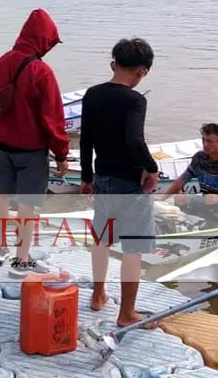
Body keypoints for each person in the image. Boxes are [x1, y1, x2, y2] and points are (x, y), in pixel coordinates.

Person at [80, 37, 158, 328]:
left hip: (103, 178)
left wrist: (86, 177)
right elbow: (134, 140)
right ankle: (126, 314)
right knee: (133, 248)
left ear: (114, 64)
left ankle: (98, 294)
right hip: (130, 182)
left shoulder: (92, 94)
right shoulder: (135, 99)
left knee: (101, 239)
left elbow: (86, 139)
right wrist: (151, 167)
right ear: (142, 71)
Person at [0, 8, 69, 276]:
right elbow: (52, 118)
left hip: (2, 144)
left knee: (1, 195)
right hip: (31, 149)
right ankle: (22, 261)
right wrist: (61, 153)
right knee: (27, 203)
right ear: (43, 40)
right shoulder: (41, 71)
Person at [160, 124, 218, 234]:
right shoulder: (199, 157)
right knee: (180, 198)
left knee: (211, 198)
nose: (205, 144)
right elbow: (181, 181)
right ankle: (205, 222)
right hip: (208, 204)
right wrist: (161, 200)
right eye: (203, 140)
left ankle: (214, 223)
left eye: (210, 141)